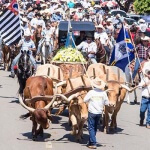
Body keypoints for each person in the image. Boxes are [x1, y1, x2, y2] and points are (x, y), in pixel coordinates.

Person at [84, 77, 109, 149]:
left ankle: (93, 143)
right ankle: (90, 142)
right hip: (99, 113)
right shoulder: (103, 93)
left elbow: (85, 100)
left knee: (91, 127)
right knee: (94, 127)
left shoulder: (91, 92)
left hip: (92, 112)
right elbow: (107, 103)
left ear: (94, 85)